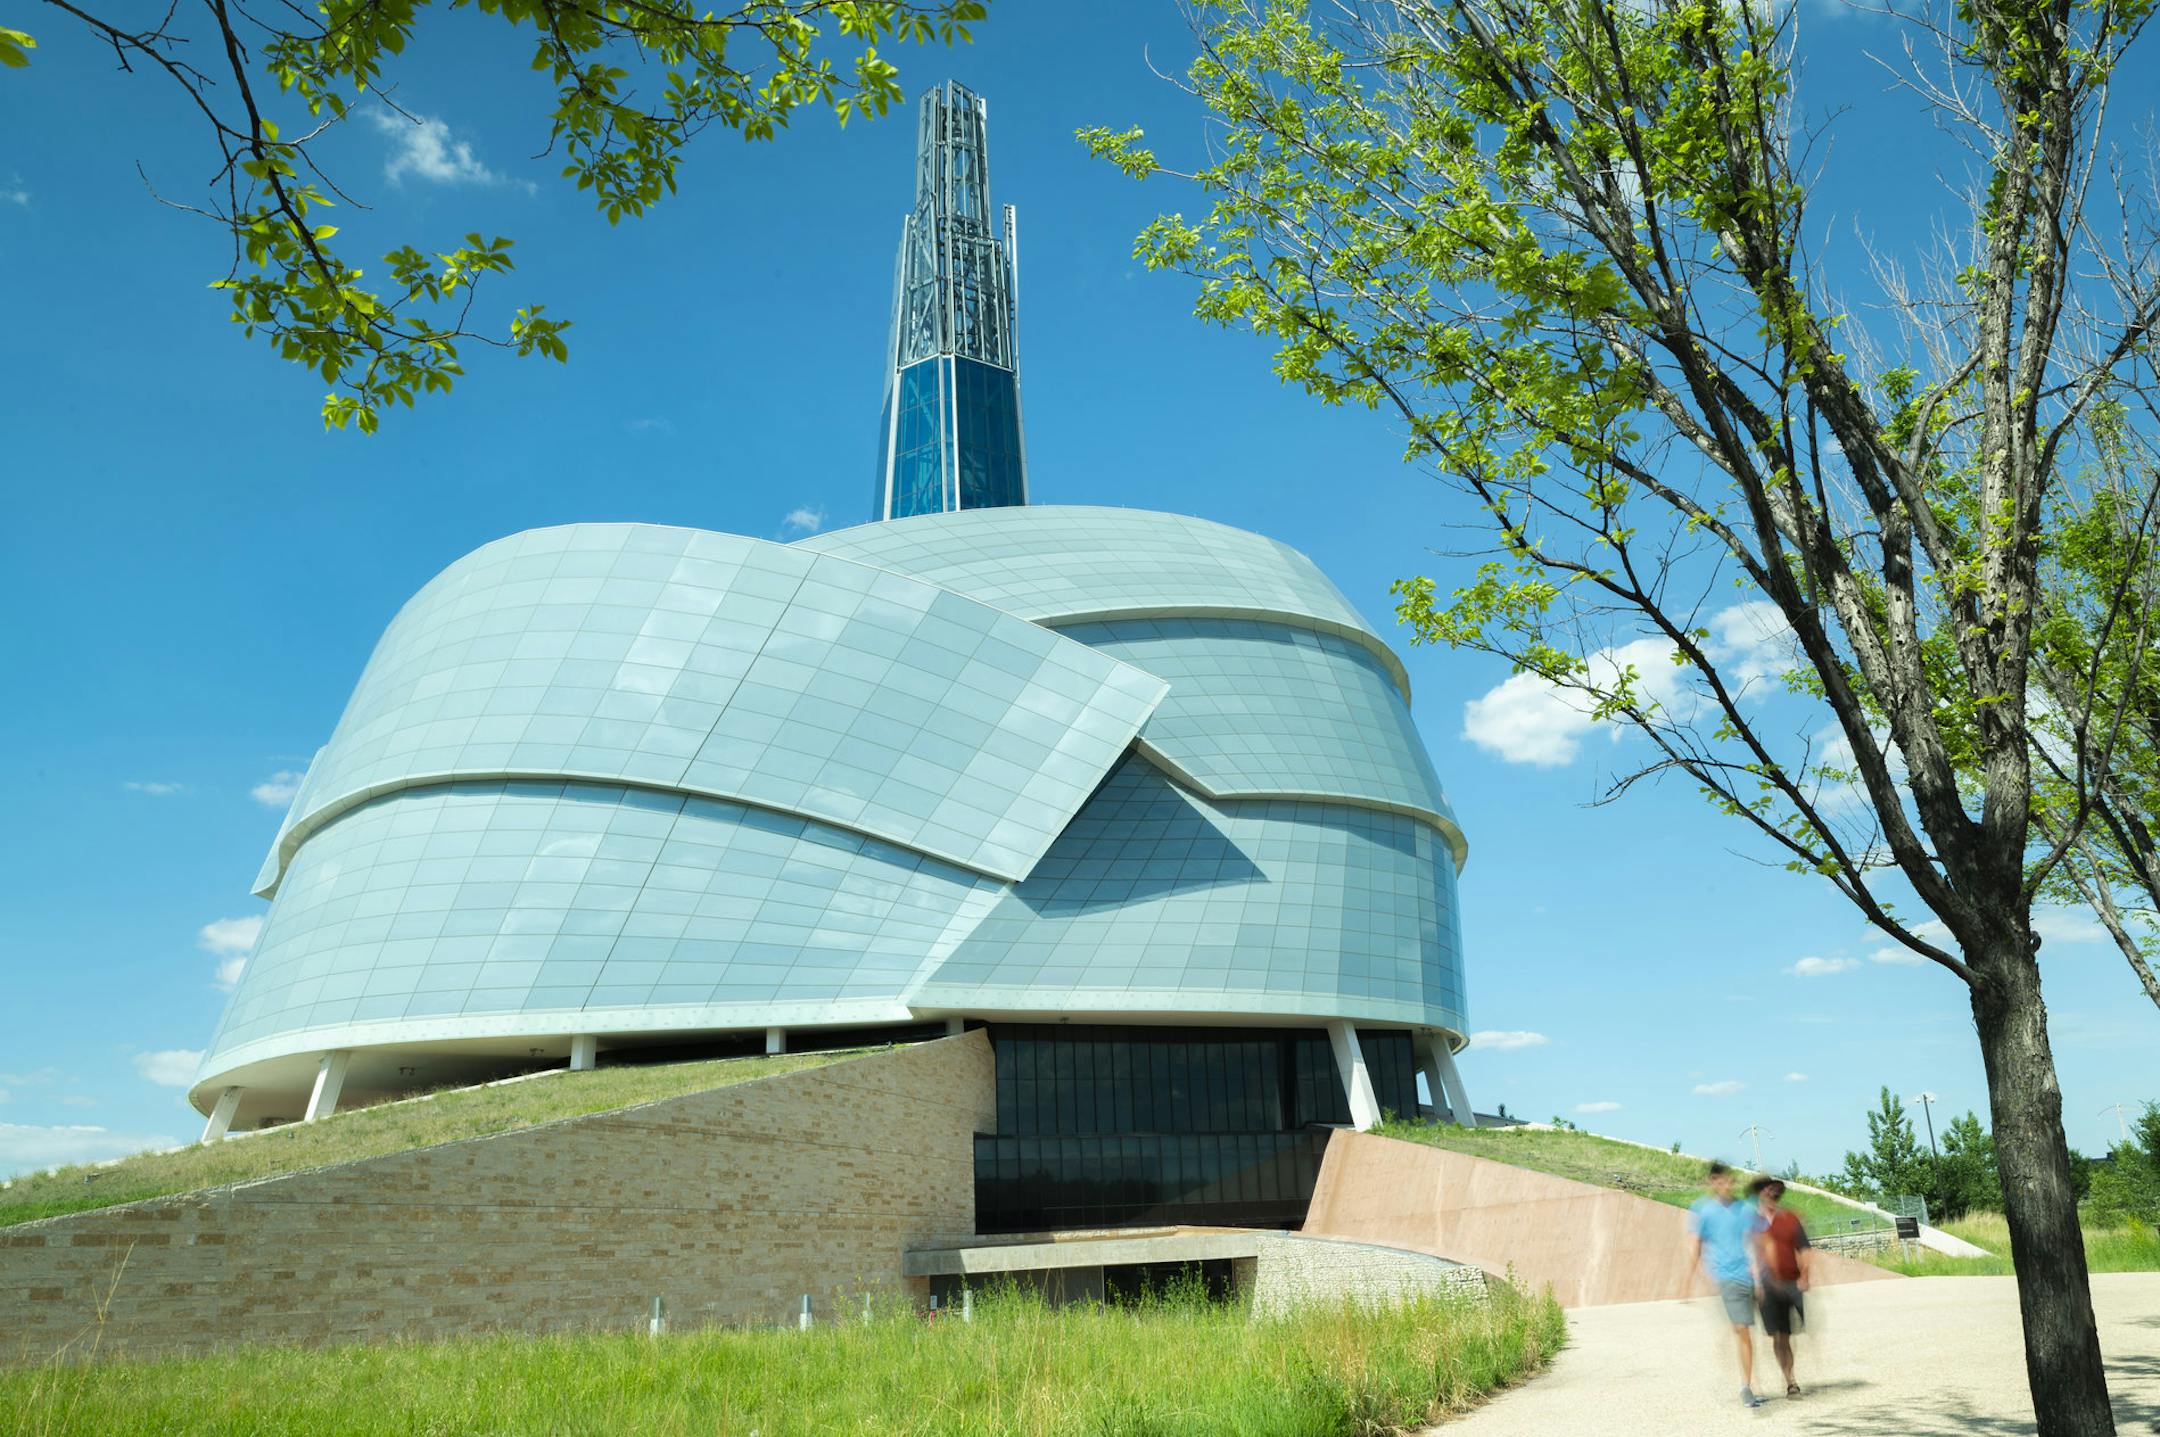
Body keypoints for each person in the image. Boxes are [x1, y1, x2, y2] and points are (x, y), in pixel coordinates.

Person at [1688, 1161, 1768, 1408]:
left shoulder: (1744, 1209)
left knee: (1745, 1332)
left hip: (1750, 1277)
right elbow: (1696, 1245)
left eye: (1727, 1180)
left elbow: (1761, 1240)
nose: (1723, 1185)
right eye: (1718, 1181)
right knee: (1742, 1328)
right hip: (1727, 1277)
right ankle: (1745, 1386)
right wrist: (1695, 1277)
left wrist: (1760, 1272)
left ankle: (1751, 1382)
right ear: (1711, 1183)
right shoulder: (1703, 1211)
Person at [1750, 1176, 1813, 1398]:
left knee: (1785, 1335)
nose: (1771, 1196)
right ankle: (1789, 1379)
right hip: (1766, 1285)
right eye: (1767, 1192)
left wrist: (1805, 1275)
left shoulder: (1789, 1219)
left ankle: (1791, 1380)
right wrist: (1755, 1282)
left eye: (1775, 1193)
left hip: (1790, 1281)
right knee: (1778, 1336)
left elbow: (1804, 1248)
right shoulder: (1751, 1221)